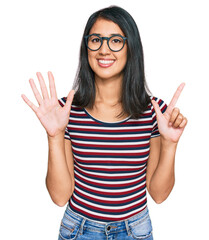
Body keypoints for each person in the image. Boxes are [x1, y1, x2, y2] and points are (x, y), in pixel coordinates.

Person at [21, 5, 187, 240]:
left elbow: (159, 194)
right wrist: (55, 136)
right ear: (86, 47)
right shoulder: (65, 111)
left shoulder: (155, 112)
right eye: (96, 40)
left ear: (131, 48)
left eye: (116, 41)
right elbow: (59, 197)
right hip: (79, 230)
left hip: (135, 231)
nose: (104, 50)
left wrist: (170, 145)